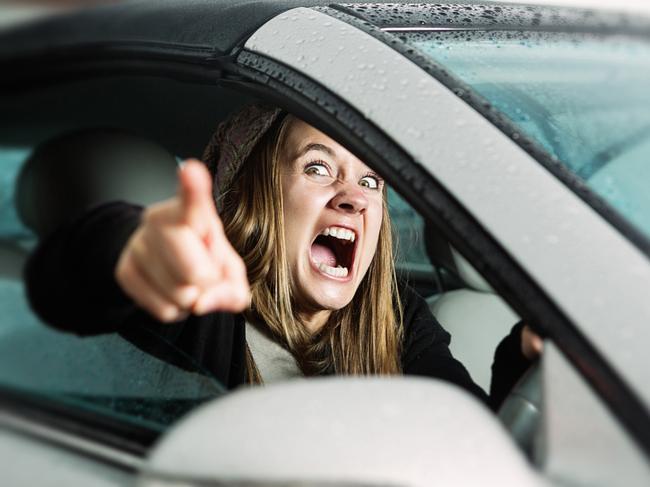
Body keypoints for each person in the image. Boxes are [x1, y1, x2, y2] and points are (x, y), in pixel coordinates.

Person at [25, 104, 539, 409]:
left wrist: (523, 359)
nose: (354, 196)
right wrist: (131, 248)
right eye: (318, 168)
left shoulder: (395, 317)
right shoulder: (196, 303)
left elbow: (471, 442)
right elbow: (59, 287)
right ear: (254, 195)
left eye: (370, 181)